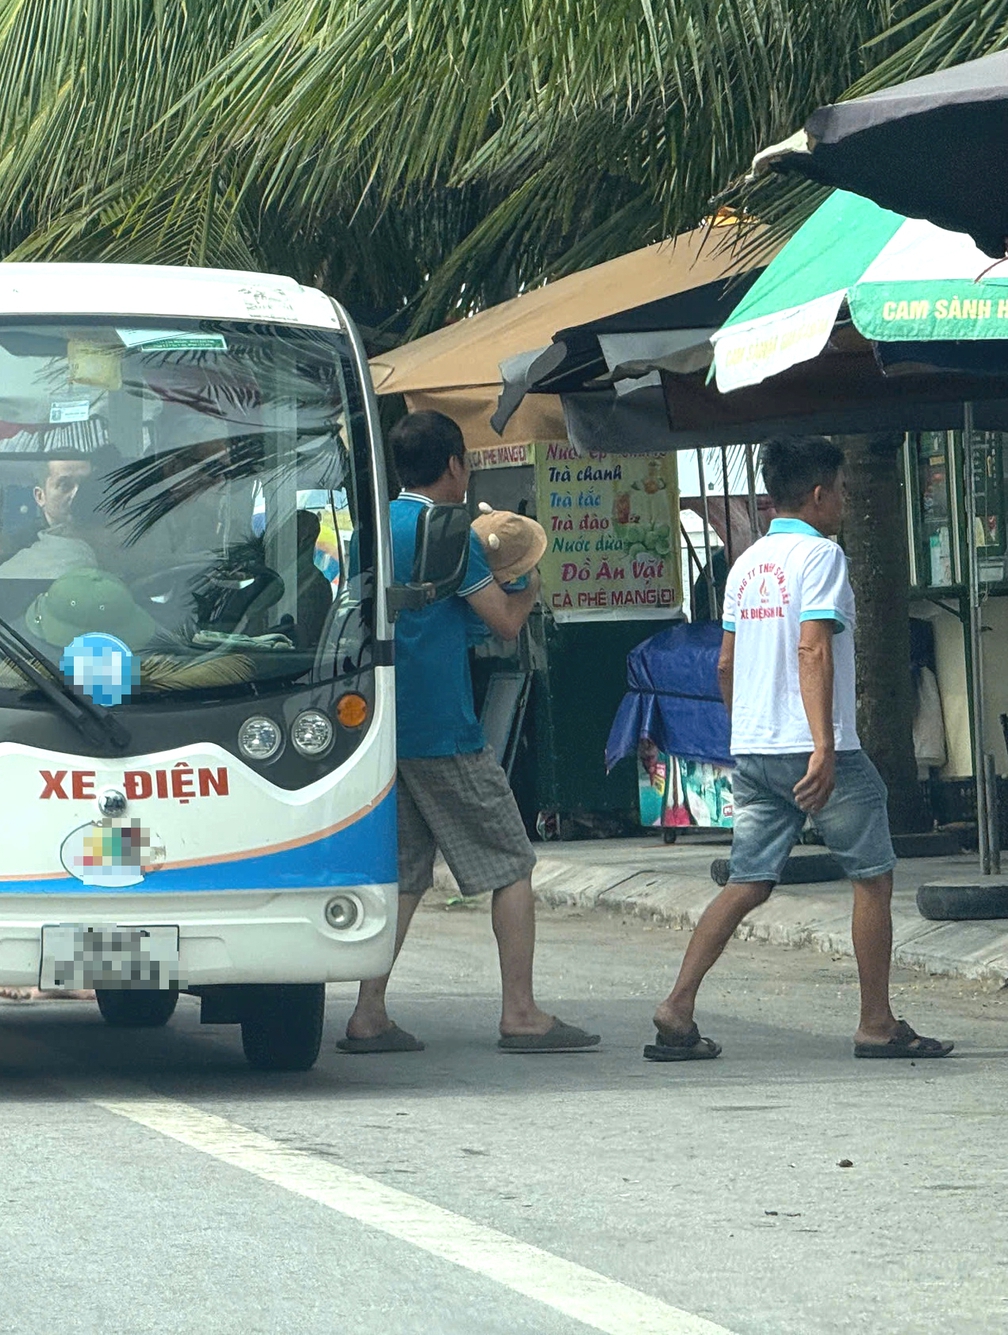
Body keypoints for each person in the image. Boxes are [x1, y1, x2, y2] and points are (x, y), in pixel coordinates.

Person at [646, 437, 952, 1062]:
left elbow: (726, 664)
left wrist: (746, 735)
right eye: (840, 490)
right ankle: (875, 1021)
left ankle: (677, 1007)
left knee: (747, 881)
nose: (843, 501)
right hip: (816, 748)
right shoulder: (822, 557)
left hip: (755, 750)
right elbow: (813, 648)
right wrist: (821, 748)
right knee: (873, 877)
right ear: (817, 495)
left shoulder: (746, 564)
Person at [340, 410, 598, 1055]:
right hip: (443, 729)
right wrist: (530, 580)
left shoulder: (367, 530)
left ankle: (368, 1012)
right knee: (512, 863)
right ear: (455, 464)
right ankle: (521, 1012)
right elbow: (505, 621)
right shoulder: (448, 533)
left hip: (376, 726)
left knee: (403, 875)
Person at [0, 455, 97, 579]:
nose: (77, 494)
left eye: (85, 486)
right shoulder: (17, 546)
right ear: (40, 496)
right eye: (65, 485)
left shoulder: (111, 537)